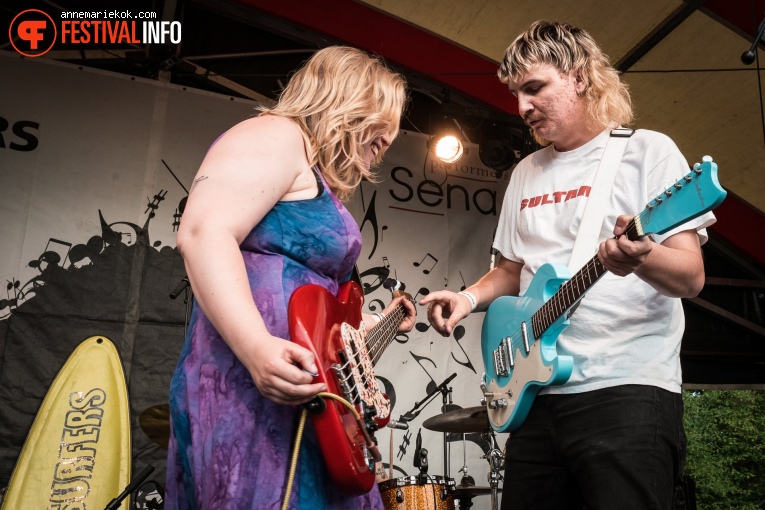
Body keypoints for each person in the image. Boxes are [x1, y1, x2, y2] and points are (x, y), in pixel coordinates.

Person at [421, 20, 715, 510]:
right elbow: (513, 271)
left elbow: (691, 276)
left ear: (579, 76)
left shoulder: (648, 152)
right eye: (517, 93)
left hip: (626, 387)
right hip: (535, 397)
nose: (522, 107)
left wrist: (641, 256)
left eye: (535, 88)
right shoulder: (525, 172)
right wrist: (468, 298)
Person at [166, 46, 416, 509]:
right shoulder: (277, 135)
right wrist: (257, 347)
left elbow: (314, 308)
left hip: (306, 403)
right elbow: (203, 231)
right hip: (250, 387)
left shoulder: (309, 169)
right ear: (351, 101)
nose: (385, 145)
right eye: (381, 128)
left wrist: (364, 333)